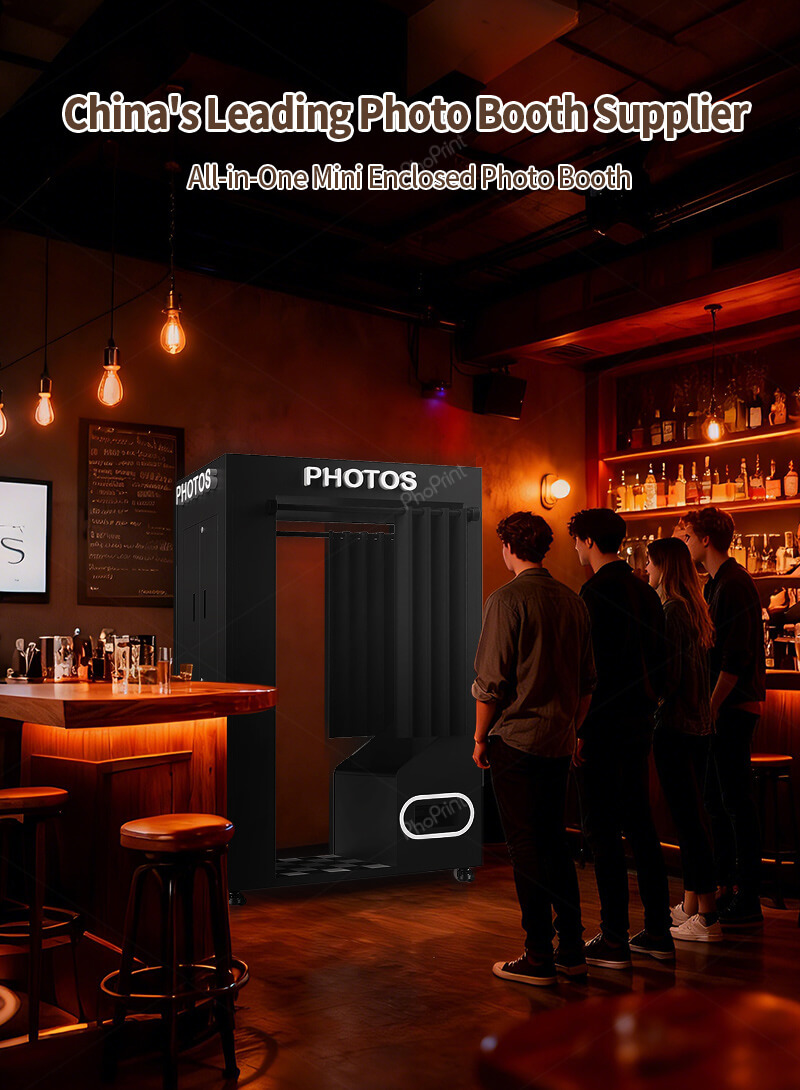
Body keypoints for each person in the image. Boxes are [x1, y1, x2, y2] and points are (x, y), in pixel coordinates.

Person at [473, 511, 596, 986]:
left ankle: (538, 954)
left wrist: (481, 738)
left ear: (508, 548)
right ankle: (571, 949)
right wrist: (569, 726)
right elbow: (587, 684)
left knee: (525, 847)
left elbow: (491, 683)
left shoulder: (505, 600)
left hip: (516, 740)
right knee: (555, 844)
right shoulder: (572, 601)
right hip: (559, 740)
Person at [568, 508, 672, 968]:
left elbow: (589, 673)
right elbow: (661, 662)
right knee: (641, 825)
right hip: (640, 722)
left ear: (588, 540)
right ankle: (656, 930)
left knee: (602, 831)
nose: (575, 549)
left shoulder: (592, 593)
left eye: (576, 541)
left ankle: (613, 939)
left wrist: (578, 729)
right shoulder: (645, 591)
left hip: (602, 724)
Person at [680, 507, 766, 926]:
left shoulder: (733, 584)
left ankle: (748, 897)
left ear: (705, 540)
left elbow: (734, 661)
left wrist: (708, 711)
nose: (686, 543)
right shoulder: (717, 583)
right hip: (725, 707)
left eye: (688, 536)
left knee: (734, 802)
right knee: (718, 801)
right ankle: (729, 887)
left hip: (732, 707)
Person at [646, 537, 722, 943]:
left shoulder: (671, 609)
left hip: (675, 725)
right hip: (699, 726)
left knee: (689, 820)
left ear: (664, 567)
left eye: (650, 564)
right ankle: (693, 905)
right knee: (694, 815)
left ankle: (707, 917)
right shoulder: (696, 606)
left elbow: (669, 676)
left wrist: (650, 701)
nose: (647, 571)